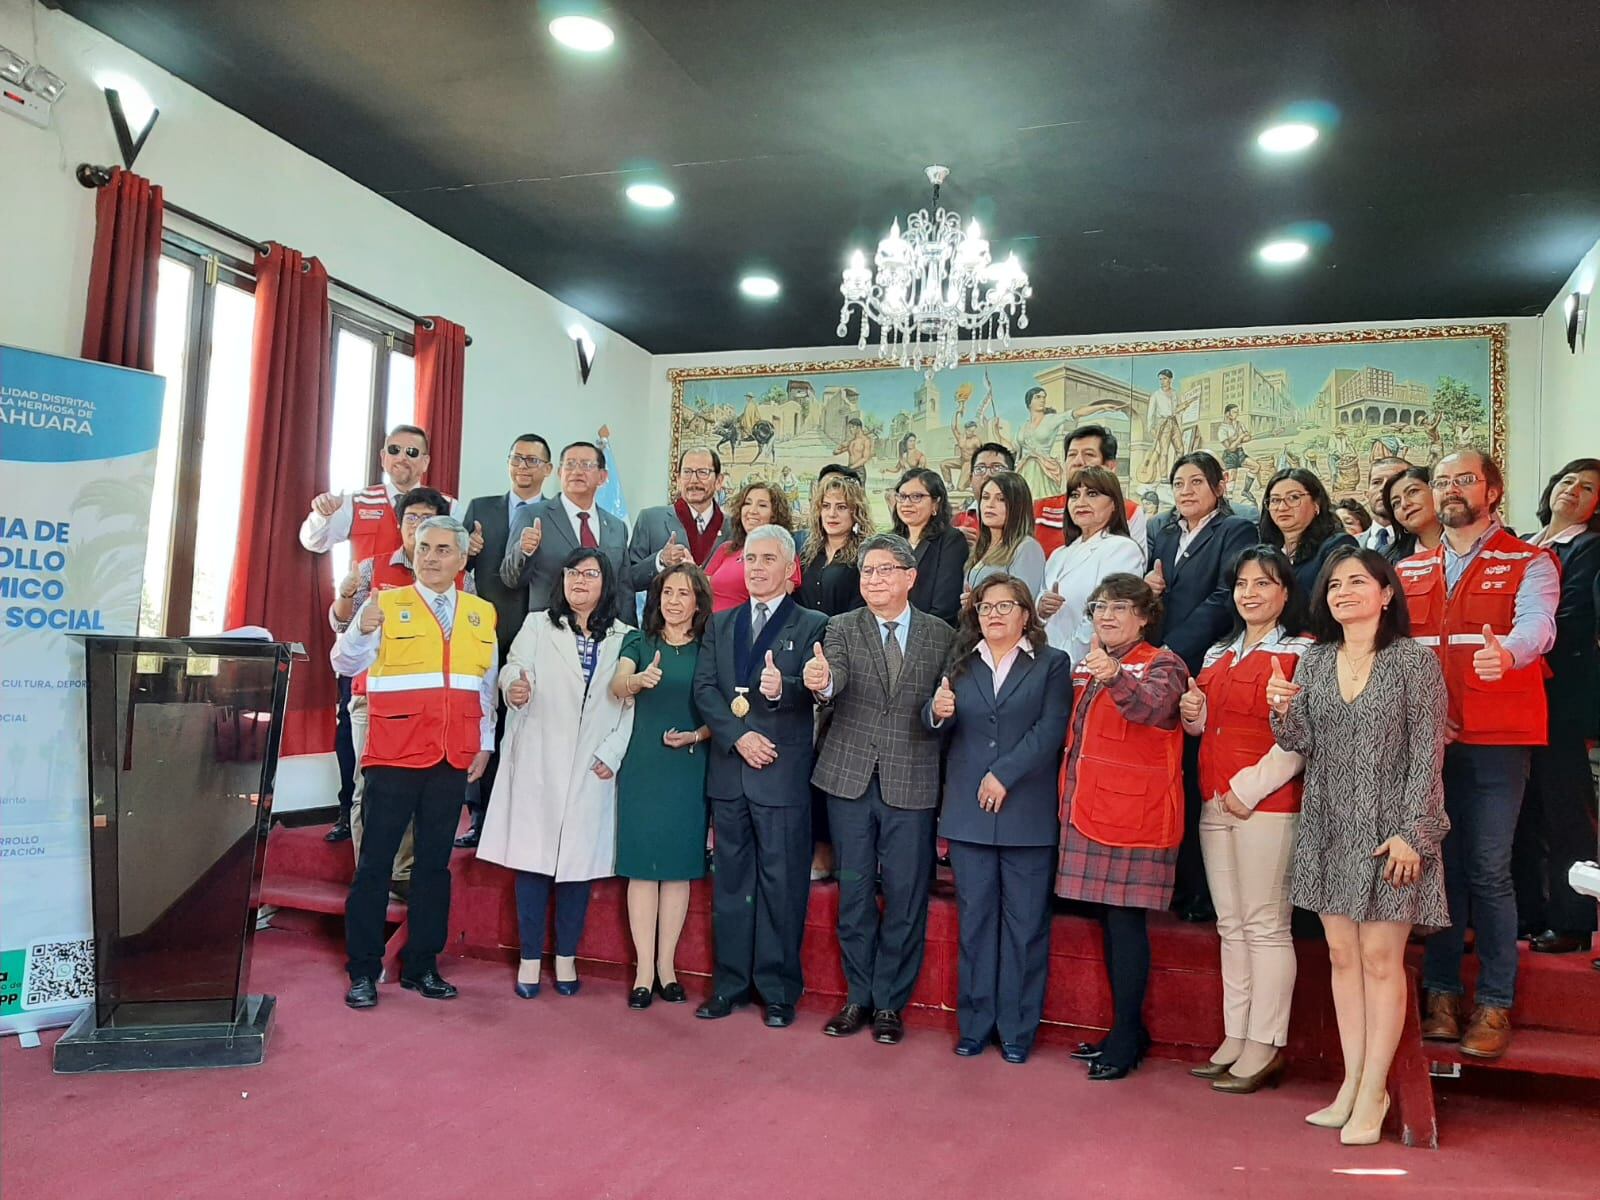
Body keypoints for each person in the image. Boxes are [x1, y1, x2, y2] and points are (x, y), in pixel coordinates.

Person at [1267, 545, 1449, 1144]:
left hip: (1393, 831)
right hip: (1327, 823)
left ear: (1386, 593)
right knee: (1342, 958)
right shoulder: (1315, 661)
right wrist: (1281, 710)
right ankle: (1350, 1084)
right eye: (1334, 584)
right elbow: (1303, 741)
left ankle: (1375, 1092)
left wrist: (1413, 833)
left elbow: (1428, 755)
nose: (1343, 591)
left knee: (1379, 959)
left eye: (1357, 582)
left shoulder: (1413, 664)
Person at [1399, 450, 1558, 1060]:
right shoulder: (1408, 568)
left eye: (1464, 478)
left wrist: (1510, 655)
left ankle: (1494, 1002)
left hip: (1496, 742)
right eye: (1441, 481)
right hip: (1424, 744)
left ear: (1492, 490)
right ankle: (1441, 995)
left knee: (1488, 871)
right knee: (1438, 870)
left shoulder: (1530, 560)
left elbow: (1538, 625)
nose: (1451, 489)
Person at [332, 516, 496, 1009]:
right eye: (424, 547)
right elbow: (345, 664)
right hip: (394, 752)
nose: (430, 556)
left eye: (443, 549)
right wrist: (360, 629)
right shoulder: (385, 602)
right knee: (376, 865)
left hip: (452, 755)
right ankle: (362, 969)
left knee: (433, 867)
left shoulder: (480, 612)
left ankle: (422, 965)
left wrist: (484, 742)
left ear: (462, 559)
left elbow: (482, 685)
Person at [806, 534, 958, 1044]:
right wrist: (821, 682)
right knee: (853, 894)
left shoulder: (941, 635)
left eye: (885, 570)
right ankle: (858, 997)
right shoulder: (842, 628)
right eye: (867, 572)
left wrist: (937, 716)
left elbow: (939, 707)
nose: (873, 580)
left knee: (905, 896)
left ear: (910, 577)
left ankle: (891, 1003)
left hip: (911, 781)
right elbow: (835, 682)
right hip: (848, 781)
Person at [476, 549, 636, 999]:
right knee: (534, 862)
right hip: (540, 757)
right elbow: (511, 670)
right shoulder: (537, 625)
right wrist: (515, 689)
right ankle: (530, 960)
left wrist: (614, 751)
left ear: (606, 583)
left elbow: (629, 705)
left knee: (577, 868)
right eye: (572, 573)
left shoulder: (626, 637)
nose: (579, 581)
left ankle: (565, 957)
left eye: (590, 574)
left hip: (591, 763)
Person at [1181, 546, 1311, 1093]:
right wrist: (1194, 717)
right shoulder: (1218, 651)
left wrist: (1248, 789)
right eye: (1242, 583)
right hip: (1216, 801)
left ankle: (1266, 1042)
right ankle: (1237, 1035)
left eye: (1264, 583)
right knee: (1230, 925)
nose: (1250, 593)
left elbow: (1301, 739)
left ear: (1285, 592)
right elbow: (1208, 728)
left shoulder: (1304, 650)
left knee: (1264, 926)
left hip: (1266, 805)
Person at [929, 575, 1071, 1062]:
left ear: (1026, 615)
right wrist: (936, 713)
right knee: (975, 924)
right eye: (985, 607)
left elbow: (1051, 727)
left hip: (1025, 814)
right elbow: (939, 730)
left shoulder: (1052, 664)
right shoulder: (960, 663)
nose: (993, 615)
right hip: (969, 814)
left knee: (1024, 927)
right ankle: (974, 1025)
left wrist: (1004, 775)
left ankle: (1016, 1030)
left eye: (1004, 606)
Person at [691, 526, 829, 1027]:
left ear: (790, 568)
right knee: (730, 884)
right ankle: (728, 985)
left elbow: (819, 691)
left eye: (768, 559)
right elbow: (706, 690)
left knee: (782, 885)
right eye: (750, 558)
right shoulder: (721, 624)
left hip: (782, 776)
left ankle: (777, 991)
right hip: (731, 771)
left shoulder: (814, 624)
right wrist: (737, 737)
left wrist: (782, 687)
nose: (756, 567)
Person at [1055, 573, 1189, 1080]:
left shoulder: (1164, 662)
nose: (1106, 616)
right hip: (1091, 811)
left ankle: (1128, 1038)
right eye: (1099, 607)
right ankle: (1125, 1031)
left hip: (1136, 818)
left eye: (1119, 608)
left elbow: (1152, 708)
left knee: (1127, 928)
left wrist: (1114, 675)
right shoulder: (1091, 665)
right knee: (1112, 927)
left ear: (1144, 616)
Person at [301, 423, 451, 843]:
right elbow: (314, 541)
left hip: (423, 650)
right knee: (353, 729)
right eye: (394, 450)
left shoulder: (445, 506)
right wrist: (322, 514)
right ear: (383, 456)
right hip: (366, 641)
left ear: (426, 461)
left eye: (413, 451)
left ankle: (403, 851)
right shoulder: (356, 501)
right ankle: (348, 810)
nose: (403, 457)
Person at [329, 486, 470, 888]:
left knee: (419, 790)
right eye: (412, 519)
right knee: (366, 788)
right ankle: (369, 871)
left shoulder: (461, 580)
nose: (419, 529)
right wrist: (345, 596)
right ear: (400, 523)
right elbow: (343, 630)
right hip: (371, 700)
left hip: (434, 706)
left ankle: (404, 875)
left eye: (429, 520)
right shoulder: (372, 568)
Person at [1145, 452, 1258, 923]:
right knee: (1167, 776)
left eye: (1197, 482)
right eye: (1178, 482)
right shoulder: (1163, 531)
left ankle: (1204, 892)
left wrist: (1171, 648)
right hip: (1162, 665)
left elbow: (1222, 597)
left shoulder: (1235, 531)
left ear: (1220, 485)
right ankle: (1172, 882)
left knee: (1197, 777)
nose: (1186, 490)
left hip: (1204, 665)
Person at [611, 564, 714, 1008]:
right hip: (643, 766)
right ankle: (642, 972)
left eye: (683, 593)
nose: (673, 601)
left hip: (688, 765)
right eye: (666, 592)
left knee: (677, 869)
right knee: (642, 867)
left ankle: (667, 969)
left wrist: (697, 735)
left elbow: (727, 709)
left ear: (698, 603)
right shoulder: (639, 640)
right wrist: (636, 681)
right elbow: (617, 684)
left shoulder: (710, 648)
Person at [1515, 459, 1600, 954]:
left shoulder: (1590, 547)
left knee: (1563, 804)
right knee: (1521, 806)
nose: (1573, 491)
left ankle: (1570, 919)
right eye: (1567, 481)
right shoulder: (1524, 542)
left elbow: (1567, 615)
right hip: (1513, 690)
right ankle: (1529, 910)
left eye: (1587, 488)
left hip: (1558, 693)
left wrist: (1516, 642)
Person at [456, 433, 551, 848]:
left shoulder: (555, 514)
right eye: (517, 458)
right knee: (487, 719)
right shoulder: (481, 508)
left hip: (541, 628)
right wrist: (470, 549)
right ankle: (479, 815)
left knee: (536, 722)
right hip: (490, 629)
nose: (524, 466)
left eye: (533, 460)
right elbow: (454, 564)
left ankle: (529, 812)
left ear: (548, 470)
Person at [798, 472, 873, 880]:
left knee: (834, 760)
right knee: (807, 759)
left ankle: (829, 852)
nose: (832, 514)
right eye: (826, 507)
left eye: (841, 507)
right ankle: (810, 846)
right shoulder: (809, 553)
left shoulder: (863, 557)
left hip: (847, 665)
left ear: (856, 510)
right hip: (806, 665)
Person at [501, 439, 633, 626]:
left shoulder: (616, 526)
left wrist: (631, 641)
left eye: (586, 465)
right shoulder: (532, 515)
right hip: (551, 631)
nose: (577, 471)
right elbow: (510, 578)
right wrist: (523, 551)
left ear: (602, 477)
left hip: (604, 636)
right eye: (570, 464)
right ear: (559, 472)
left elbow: (624, 589)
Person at [1037, 467, 1145, 663]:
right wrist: (1042, 610)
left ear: (1113, 503)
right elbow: (1039, 610)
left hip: (1089, 664)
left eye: (1092, 494)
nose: (1081, 502)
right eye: (1074, 495)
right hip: (1045, 660)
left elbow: (1105, 615)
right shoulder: (1058, 554)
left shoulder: (1122, 549)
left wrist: (1066, 661)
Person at [1032, 425, 1149, 559]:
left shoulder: (1131, 512)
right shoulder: (1038, 509)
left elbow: (1132, 570)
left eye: (1089, 454)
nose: (1078, 462)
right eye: (1072, 455)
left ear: (1110, 467)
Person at [626, 446, 730, 591]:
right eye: (687, 472)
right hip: (665, 612)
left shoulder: (734, 527)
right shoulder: (650, 520)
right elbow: (629, 579)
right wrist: (660, 560)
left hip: (720, 613)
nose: (694, 480)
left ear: (719, 481)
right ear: (678, 479)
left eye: (703, 472)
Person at [702, 481, 804, 611]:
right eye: (747, 503)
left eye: (762, 505)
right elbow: (701, 590)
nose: (752, 511)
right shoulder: (726, 548)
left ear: (774, 514)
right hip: (710, 626)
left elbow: (775, 605)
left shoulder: (784, 553)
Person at [1258, 468, 1357, 594]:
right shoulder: (1266, 551)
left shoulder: (1337, 545)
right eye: (1275, 500)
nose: (1282, 507)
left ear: (1316, 504)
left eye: (1293, 498)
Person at [891, 467, 968, 626]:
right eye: (902, 496)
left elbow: (945, 607)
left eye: (916, 497)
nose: (906, 503)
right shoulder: (889, 542)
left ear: (936, 503)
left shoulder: (951, 540)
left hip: (932, 636)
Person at [965, 470, 1046, 598]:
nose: (989, 505)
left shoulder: (1026, 547)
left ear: (1018, 506)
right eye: (985, 497)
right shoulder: (981, 547)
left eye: (1001, 499)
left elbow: (1023, 603)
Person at [1014, 387, 1073, 502]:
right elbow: (1015, 449)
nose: (1042, 400)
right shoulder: (1023, 426)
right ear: (1029, 402)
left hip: (1043, 470)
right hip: (1023, 470)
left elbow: (1072, 414)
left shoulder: (1050, 420)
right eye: (1038, 397)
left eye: (1044, 397)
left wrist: (1101, 407)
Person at [952, 442, 1015, 541]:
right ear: (970, 478)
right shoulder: (956, 522)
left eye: (997, 468)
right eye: (980, 468)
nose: (987, 475)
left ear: (1013, 478)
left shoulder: (1026, 520)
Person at [1382, 466, 1443, 562]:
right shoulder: (1388, 561)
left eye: (1412, 492)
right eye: (1396, 503)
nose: (1404, 504)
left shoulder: (1471, 544)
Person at [1357, 456, 1411, 553]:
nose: (1384, 488)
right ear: (1366, 494)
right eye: (1377, 482)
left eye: (1393, 481)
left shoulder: (1424, 542)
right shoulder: (1350, 545)